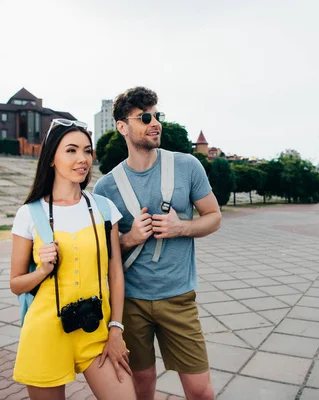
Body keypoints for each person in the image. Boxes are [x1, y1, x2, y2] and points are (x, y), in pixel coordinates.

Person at [94, 87, 222, 400]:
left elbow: (214, 216)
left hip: (178, 297)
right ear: (123, 127)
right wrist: (129, 238)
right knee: (142, 388)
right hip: (132, 304)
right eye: (145, 117)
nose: (156, 123)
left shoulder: (187, 166)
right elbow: (102, 253)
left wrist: (182, 227)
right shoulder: (106, 187)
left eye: (157, 115)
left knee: (201, 392)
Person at [9, 119, 136, 400]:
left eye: (87, 151)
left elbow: (115, 273)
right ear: (51, 158)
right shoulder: (30, 214)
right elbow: (16, 284)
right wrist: (43, 269)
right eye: (71, 150)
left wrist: (116, 328)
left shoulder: (104, 209)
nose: (82, 159)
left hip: (96, 330)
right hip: (46, 332)